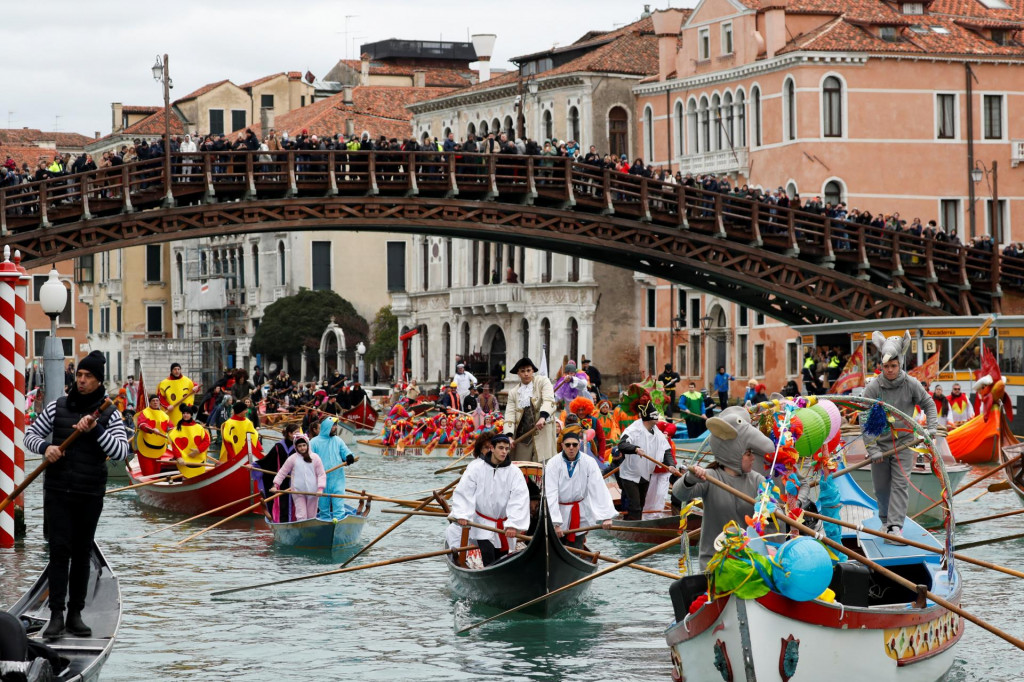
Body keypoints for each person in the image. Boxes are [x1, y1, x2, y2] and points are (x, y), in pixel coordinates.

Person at [24, 351, 129, 640]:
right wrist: (46, 448)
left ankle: (75, 614)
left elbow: (121, 451)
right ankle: (56, 615)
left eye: (87, 377)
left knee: (82, 554)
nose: (80, 381)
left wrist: (95, 430)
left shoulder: (109, 413)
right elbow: (30, 436)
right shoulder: (58, 407)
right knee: (59, 552)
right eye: (79, 375)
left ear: (97, 381)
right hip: (58, 490)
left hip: (89, 492)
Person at [672, 406, 775, 569]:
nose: (753, 458)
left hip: (749, 562)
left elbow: (773, 518)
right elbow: (680, 493)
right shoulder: (710, 477)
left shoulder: (757, 480)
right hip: (715, 561)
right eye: (749, 454)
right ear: (734, 452)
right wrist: (689, 479)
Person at [863, 331, 938, 541]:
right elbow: (864, 417)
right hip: (879, 445)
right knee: (881, 488)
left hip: (905, 444)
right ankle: (885, 521)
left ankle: (895, 526)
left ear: (900, 364)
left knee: (900, 485)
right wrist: (872, 449)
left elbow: (929, 405)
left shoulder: (912, 384)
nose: (889, 370)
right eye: (886, 366)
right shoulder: (874, 386)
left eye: (893, 366)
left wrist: (931, 428)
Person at [445, 434, 530, 566]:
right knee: (488, 555)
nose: (504, 452)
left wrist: (513, 523)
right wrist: (462, 514)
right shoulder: (476, 467)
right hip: (482, 523)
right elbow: (465, 491)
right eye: (501, 448)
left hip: (503, 526)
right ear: (492, 448)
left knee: (501, 559)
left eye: (507, 449)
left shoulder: (515, 472)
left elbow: (519, 499)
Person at [544, 425, 616, 548]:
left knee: (576, 547)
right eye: (568, 445)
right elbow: (551, 494)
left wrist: (606, 517)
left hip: (580, 513)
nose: (571, 448)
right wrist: (555, 523)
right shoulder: (552, 463)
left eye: (574, 444)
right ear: (562, 446)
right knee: (557, 546)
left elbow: (598, 488)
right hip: (559, 513)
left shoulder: (589, 462)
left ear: (579, 445)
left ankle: (576, 555)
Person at [616, 397, 680, 520]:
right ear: (648, 418)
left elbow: (666, 450)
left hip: (645, 473)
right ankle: (634, 529)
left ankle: (636, 523)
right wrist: (635, 449)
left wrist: (671, 464)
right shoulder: (633, 430)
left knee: (641, 504)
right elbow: (622, 445)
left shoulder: (656, 431)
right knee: (635, 505)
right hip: (630, 474)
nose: (658, 419)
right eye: (655, 416)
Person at [503, 357, 557, 462]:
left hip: (542, 434)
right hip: (523, 438)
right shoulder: (513, 392)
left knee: (543, 468)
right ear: (518, 373)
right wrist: (508, 436)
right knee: (521, 469)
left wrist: (543, 417)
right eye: (522, 371)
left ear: (533, 371)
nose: (526, 374)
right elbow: (509, 414)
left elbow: (549, 400)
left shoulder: (543, 382)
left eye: (528, 370)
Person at [309, 416, 356, 520]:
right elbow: (309, 460)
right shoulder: (314, 442)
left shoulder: (338, 440)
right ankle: (325, 522)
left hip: (337, 478)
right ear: (326, 426)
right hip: (321, 480)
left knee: (339, 504)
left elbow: (345, 451)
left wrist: (349, 457)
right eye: (333, 425)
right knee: (323, 507)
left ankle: (339, 521)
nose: (335, 427)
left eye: (335, 425)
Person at [271, 434, 325, 522]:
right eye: (299, 446)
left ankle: (311, 531)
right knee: (301, 515)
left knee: (311, 516)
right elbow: (282, 472)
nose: (302, 448)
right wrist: (275, 485)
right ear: (296, 447)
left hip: (313, 492)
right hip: (298, 492)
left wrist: (320, 489)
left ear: (308, 445)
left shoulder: (315, 457)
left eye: (304, 445)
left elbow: (321, 474)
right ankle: (301, 530)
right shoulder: (292, 459)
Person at [255, 423, 298, 522]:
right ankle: (282, 522)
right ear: (290, 434)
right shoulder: (279, 446)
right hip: (281, 480)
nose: (298, 434)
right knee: (282, 503)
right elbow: (268, 460)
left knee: (296, 503)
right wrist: (255, 465)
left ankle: (296, 521)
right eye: (296, 432)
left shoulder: (300, 445)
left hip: (296, 479)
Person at [166, 404, 211, 479]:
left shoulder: (199, 428)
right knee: (186, 477)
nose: (185, 415)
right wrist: (178, 458)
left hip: (198, 458)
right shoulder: (177, 429)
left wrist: (198, 450)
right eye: (183, 413)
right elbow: (175, 446)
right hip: (184, 460)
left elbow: (206, 441)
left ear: (191, 415)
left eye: (187, 413)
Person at [134, 393, 171, 476]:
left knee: (157, 472)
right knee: (148, 473)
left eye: (157, 400)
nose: (155, 402)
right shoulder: (144, 413)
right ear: (150, 403)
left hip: (158, 448)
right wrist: (152, 429)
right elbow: (141, 424)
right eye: (153, 401)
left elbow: (171, 427)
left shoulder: (165, 415)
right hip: (144, 447)